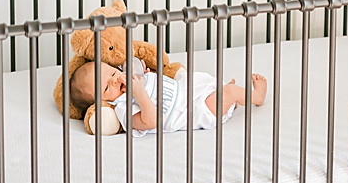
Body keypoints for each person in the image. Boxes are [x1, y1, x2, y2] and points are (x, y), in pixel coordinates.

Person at [70, 57, 268, 135]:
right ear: (102, 102)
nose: (115, 80)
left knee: (205, 81)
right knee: (229, 93)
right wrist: (140, 94)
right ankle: (255, 96)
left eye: (113, 73)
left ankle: (229, 98)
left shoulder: (131, 79)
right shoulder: (123, 108)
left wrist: (147, 78)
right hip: (195, 111)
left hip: (188, 92)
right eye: (106, 88)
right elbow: (150, 121)